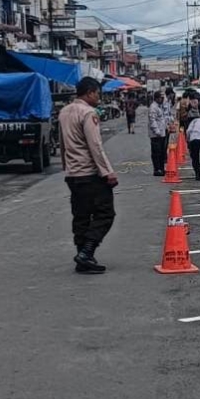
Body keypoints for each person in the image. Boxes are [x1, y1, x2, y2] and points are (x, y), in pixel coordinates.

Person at [59, 77, 119, 275]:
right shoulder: (88, 112)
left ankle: (83, 258)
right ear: (90, 92)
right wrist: (107, 172)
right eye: (97, 94)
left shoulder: (64, 112)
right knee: (105, 213)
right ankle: (87, 251)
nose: (99, 98)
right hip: (89, 173)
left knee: (81, 216)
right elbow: (95, 146)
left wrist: (66, 167)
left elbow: (62, 144)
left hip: (73, 173)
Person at [147, 91, 172, 176]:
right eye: (161, 98)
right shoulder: (153, 107)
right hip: (156, 135)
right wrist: (157, 131)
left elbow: (163, 119)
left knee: (162, 152)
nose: (162, 99)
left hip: (162, 133)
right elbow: (152, 120)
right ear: (157, 98)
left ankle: (161, 168)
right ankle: (157, 169)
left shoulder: (159, 106)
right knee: (156, 152)